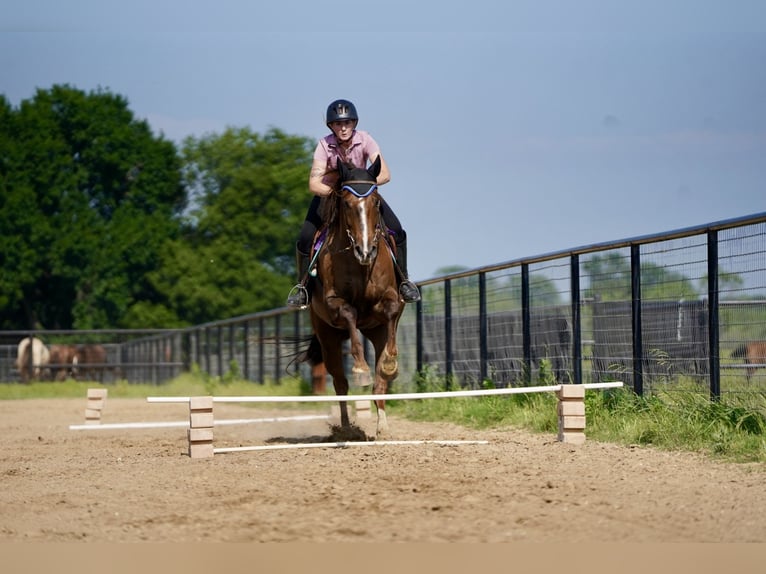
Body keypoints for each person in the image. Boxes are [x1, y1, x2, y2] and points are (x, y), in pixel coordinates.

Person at [286, 99, 421, 308]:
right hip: (331, 196)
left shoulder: (366, 140)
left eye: (347, 123)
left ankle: (403, 281)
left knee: (397, 229)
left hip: (364, 195)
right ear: (331, 126)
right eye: (338, 124)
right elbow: (314, 183)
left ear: (354, 123)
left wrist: (360, 189)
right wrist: (339, 193)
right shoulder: (324, 145)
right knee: (305, 237)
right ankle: (304, 288)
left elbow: (385, 174)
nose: (343, 128)